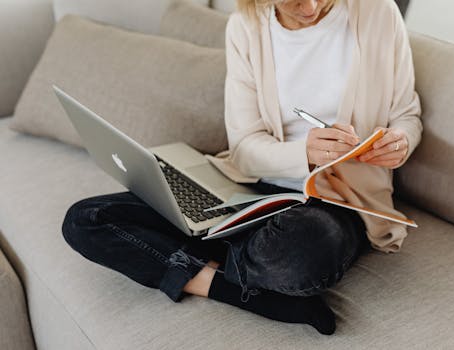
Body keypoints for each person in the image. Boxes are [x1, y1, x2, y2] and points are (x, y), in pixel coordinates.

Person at [62, 0, 422, 336]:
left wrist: (401, 142)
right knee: (87, 219)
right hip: (249, 187)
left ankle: (201, 253)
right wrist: (303, 154)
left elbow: (407, 114)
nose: (311, 7)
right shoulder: (246, 28)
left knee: (305, 249)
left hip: (334, 199)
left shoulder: (378, 12)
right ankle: (239, 290)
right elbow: (245, 149)